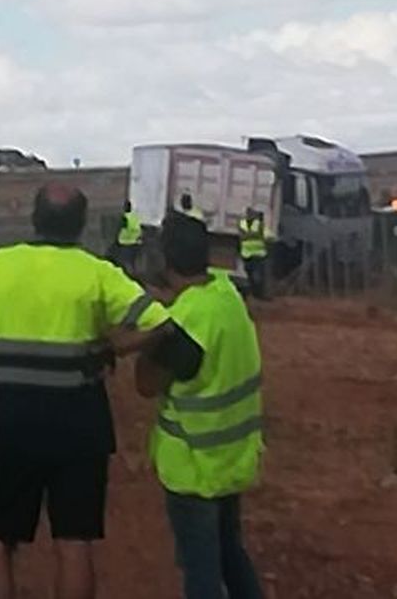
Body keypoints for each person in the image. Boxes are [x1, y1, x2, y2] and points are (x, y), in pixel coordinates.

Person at [0, 183, 171, 599]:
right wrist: (109, 350)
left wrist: (5, 359)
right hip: (79, 421)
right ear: (81, 224)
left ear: (34, 218)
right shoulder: (97, 272)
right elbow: (160, 324)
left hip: (13, 421)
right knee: (74, 539)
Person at [135, 214, 266, 599]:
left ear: (164, 261)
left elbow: (146, 384)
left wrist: (154, 329)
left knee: (201, 572)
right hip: (231, 460)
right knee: (230, 553)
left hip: (194, 468)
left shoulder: (186, 321)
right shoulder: (226, 296)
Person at [237, 207, 269, 301]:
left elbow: (243, 236)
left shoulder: (257, 224)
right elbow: (244, 236)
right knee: (250, 274)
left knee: (257, 275)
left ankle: (258, 294)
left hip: (257, 253)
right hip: (247, 253)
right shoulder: (245, 223)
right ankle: (255, 293)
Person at [114, 201, 144, 278]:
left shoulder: (124, 217)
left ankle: (128, 276)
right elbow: (139, 228)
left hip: (125, 242)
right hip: (135, 242)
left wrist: (116, 238)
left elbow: (120, 228)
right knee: (132, 262)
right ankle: (135, 275)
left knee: (125, 261)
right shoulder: (135, 217)